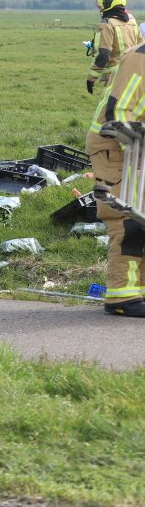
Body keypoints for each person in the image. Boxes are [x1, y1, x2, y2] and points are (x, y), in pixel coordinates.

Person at [85, 41, 145, 317]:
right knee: (127, 219)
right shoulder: (140, 58)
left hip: (134, 146)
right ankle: (121, 296)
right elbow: (118, 113)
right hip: (116, 146)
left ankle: (137, 290)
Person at [87, 0, 142, 94]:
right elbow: (141, 47)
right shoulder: (132, 21)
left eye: (100, 7)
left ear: (107, 5)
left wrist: (91, 79)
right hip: (134, 74)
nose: (100, 11)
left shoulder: (106, 24)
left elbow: (103, 55)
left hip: (115, 77)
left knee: (110, 108)